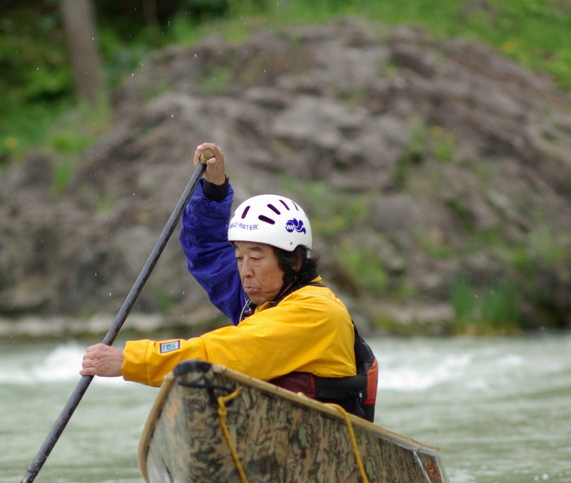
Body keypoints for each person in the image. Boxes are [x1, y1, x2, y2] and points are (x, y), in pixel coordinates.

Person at [81, 142, 377, 420]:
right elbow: (207, 250)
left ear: (294, 261)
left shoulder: (316, 312)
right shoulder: (261, 297)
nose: (245, 270)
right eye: (239, 257)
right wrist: (213, 189)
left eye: (256, 258)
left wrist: (130, 361)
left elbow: (220, 352)